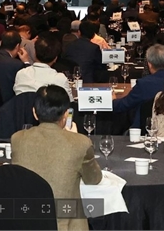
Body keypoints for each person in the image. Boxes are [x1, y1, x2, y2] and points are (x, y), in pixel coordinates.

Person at [11, 85, 102, 231]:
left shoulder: (17, 139)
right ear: (66, 114)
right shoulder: (80, 143)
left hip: (25, 223)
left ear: (34, 113)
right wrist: (74, 137)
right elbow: (93, 179)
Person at [113, 43, 164, 128]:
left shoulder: (144, 84)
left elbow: (123, 105)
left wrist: (113, 100)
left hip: (144, 130)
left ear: (149, 64)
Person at [13, 32, 71, 99]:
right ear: (55, 58)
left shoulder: (21, 74)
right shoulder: (60, 79)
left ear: (35, 53)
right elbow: (69, 101)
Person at [0, 30, 30, 103]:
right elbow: (27, 82)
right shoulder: (17, 64)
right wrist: (26, 62)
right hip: (8, 104)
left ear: (0, 43)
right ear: (17, 46)